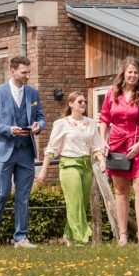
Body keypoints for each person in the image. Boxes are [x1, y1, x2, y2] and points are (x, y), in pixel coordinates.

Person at [0, 56, 46, 248]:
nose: (28, 76)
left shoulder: (33, 93)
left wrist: (38, 126)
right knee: (1, 194)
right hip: (4, 151)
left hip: (26, 151)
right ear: (12, 72)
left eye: (29, 72)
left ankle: (21, 238)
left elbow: (41, 118)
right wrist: (9, 129)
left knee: (23, 196)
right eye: (24, 72)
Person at [100, 57, 139, 246]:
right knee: (121, 189)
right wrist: (103, 140)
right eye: (130, 72)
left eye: (136, 72)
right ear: (123, 73)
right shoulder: (112, 93)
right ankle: (123, 234)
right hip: (117, 145)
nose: (133, 75)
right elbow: (104, 118)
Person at [39, 90, 106, 246]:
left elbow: (96, 146)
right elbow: (52, 148)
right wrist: (44, 169)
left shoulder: (91, 123)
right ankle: (81, 238)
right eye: (79, 101)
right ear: (71, 104)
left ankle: (68, 235)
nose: (83, 104)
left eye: (84, 102)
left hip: (86, 166)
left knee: (81, 203)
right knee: (75, 201)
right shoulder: (61, 124)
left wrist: (101, 160)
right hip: (69, 165)